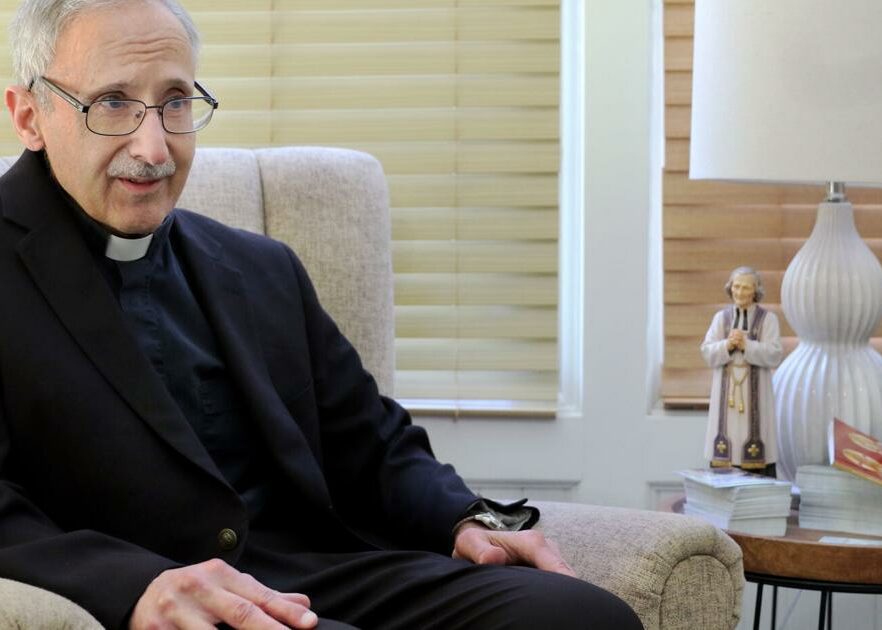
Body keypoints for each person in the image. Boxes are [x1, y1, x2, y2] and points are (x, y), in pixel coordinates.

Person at [0, 1, 643, 628]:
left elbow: (371, 442)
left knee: (584, 616)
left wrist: (464, 518)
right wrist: (132, 584)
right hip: (168, 590)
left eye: (174, 102)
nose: (154, 146)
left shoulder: (260, 267)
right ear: (29, 116)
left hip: (320, 572)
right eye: (112, 103)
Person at [701, 266, 783, 476]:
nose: (739, 292)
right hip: (725, 398)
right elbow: (707, 352)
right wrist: (727, 345)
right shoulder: (721, 318)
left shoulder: (768, 320)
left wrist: (747, 345)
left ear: (756, 290)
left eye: (746, 288)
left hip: (757, 399)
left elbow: (775, 354)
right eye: (736, 286)